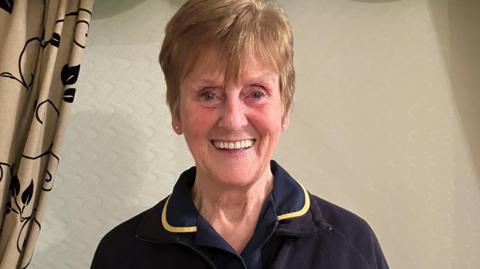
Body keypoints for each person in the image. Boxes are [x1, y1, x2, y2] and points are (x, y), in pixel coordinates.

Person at [91, 0, 389, 268]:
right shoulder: (120, 255)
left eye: (256, 93)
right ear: (177, 112)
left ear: (284, 109)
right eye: (208, 95)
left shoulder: (351, 245)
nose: (233, 121)